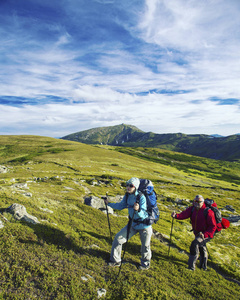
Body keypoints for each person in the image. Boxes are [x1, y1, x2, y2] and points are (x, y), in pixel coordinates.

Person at [104, 177, 152, 270]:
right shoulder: (127, 195)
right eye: (127, 185)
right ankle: (115, 261)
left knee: (145, 246)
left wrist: (137, 210)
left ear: (136, 187)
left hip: (144, 226)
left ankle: (145, 264)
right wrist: (108, 204)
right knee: (118, 239)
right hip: (133, 223)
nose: (128, 187)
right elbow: (121, 206)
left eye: (131, 186)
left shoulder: (141, 197)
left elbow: (144, 214)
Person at [171, 195, 217, 271]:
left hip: (207, 234)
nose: (196, 203)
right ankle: (203, 267)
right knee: (201, 247)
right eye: (195, 201)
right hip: (198, 233)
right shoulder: (192, 209)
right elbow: (184, 214)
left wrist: (205, 234)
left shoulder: (208, 212)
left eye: (198, 202)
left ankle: (191, 267)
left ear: (202, 202)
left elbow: (213, 226)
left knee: (195, 244)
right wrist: (176, 216)